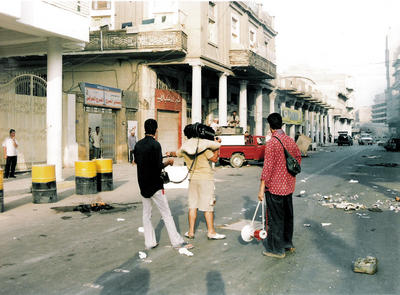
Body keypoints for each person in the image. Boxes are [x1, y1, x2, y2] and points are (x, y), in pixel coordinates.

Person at [133, 119, 192, 250]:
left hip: (143, 185)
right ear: (156, 130)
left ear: (144, 129)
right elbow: (159, 166)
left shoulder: (138, 145)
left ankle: (150, 242)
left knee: (146, 215)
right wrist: (169, 162)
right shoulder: (156, 145)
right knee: (166, 214)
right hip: (155, 186)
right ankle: (176, 242)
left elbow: (137, 162)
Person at [167, 124, 226, 241]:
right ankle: (211, 232)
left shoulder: (185, 147)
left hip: (192, 179)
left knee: (192, 206)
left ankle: (191, 232)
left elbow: (176, 153)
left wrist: (170, 153)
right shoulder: (203, 146)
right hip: (205, 179)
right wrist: (218, 147)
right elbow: (214, 159)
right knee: (208, 206)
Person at [257, 113, 301, 259]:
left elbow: (267, 167)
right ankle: (287, 244)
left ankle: (276, 250)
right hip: (288, 186)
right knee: (288, 216)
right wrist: (289, 175)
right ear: (281, 124)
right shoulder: (290, 140)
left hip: (274, 188)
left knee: (275, 219)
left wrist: (261, 188)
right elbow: (298, 159)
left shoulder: (272, 143)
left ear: (270, 127)